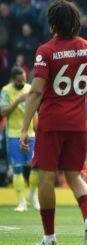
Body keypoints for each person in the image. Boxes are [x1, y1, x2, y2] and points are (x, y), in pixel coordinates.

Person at [20, 0, 87, 245]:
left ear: (52, 23)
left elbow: (36, 92)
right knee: (74, 175)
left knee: (45, 178)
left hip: (50, 123)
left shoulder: (45, 51)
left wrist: (25, 127)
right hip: (78, 124)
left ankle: (49, 237)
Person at [0, 66, 39, 212]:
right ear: (13, 80)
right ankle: (22, 202)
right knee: (17, 169)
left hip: (31, 134)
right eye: (19, 81)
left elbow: (35, 112)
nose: (22, 82)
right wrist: (17, 101)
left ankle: (33, 195)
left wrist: (37, 127)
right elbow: (3, 112)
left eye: (23, 79)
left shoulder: (30, 88)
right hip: (13, 135)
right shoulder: (6, 90)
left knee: (36, 166)